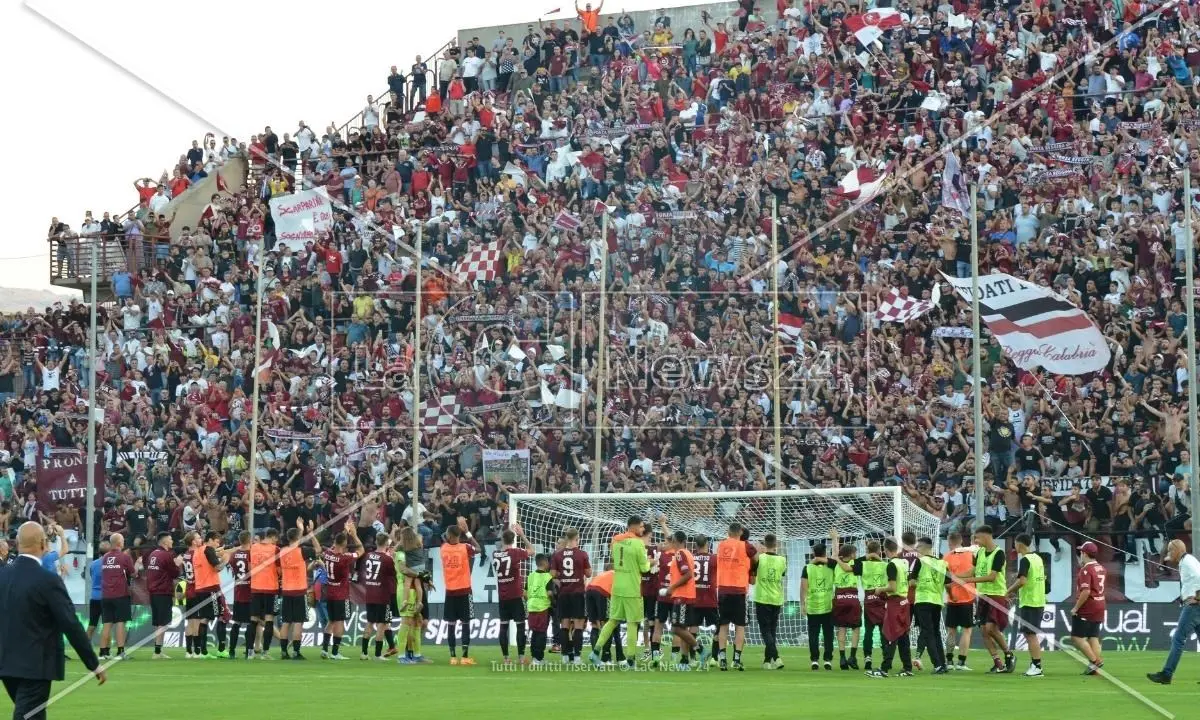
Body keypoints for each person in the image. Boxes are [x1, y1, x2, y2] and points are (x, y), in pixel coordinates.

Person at [0, 522, 104, 720]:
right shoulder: (47, 580)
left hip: (6, 663)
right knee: (28, 715)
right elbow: (70, 623)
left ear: (17, 544)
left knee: (31, 713)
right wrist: (93, 663)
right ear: (43, 543)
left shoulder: (3, 576)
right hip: (36, 664)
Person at [590, 515, 649, 669]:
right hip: (632, 589)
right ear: (634, 527)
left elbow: (614, 559)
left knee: (612, 620)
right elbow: (644, 568)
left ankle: (595, 651)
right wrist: (651, 562)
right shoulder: (638, 544)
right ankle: (630, 660)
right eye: (642, 526)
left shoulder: (615, 541)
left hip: (617, 587)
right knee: (632, 623)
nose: (643, 529)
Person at [960, 525, 1014, 673]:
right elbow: (973, 570)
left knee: (991, 628)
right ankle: (997, 662)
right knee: (984, 631)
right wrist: (956, 575)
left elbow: (992, 577)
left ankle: (1009, 654)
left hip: (996, 595)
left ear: (985, 536)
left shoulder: (999, 553)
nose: (975, 541)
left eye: (977, 538)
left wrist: (969, 580)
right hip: (982, 596)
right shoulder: (980, 553)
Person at [1148, 539, 1200, 684]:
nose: (1169, 553)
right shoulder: (1188, 560)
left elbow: (1198, 577)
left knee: (1178, 639)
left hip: (1193, 607)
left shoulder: (1187, 562)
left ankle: (1166, 674)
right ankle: (1166, 673)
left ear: (1177, 550)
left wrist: (1197, 596)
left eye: (1171, 550)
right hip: (1195, 606)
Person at [867, 538, 913, 678]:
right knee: (903, 636)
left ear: (886, 550)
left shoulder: (891, 565)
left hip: (895, 602)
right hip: (905, 602)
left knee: (890, 634)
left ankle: (884, 669)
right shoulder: (904, 563)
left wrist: (880, 589)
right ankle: (907, 667)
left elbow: (892, 587)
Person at [714, 521, 757, 671]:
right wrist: (752, 570)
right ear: (740, 532)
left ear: (728, 532)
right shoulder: (745, 545)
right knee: (740, 626)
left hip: (723, 589)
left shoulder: (721, 545)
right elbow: (756, 557)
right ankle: (737, 659)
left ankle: (722, 658)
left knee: (723, 625)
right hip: (739, 589)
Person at [317, 521, 362, 660]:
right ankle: (335, 652)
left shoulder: (328, 553)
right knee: (340, 622)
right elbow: (361, 551)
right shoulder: (344, 558)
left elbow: (338, 543)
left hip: (329, 592)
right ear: (344, 544)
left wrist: (344, 531)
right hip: (341, 594)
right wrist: (354, 535)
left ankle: (325, 649)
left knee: (331, 621)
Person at [440, 519, 481, 665]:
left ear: (449, 536)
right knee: (465, 624)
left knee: (451, 624)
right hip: (464, 590)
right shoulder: (465, 548)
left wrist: (457, 530)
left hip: (450, 591)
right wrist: (467, 531)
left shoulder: (443, 548)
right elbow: (479, 549)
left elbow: (446, 538)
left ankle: (452, 657)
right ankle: (464, 657)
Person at [1007, 533, 1047, 677]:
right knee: (1031, 634)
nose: (1014, 547)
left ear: (1019, 544)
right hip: (1039, 600)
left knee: (1030, 635)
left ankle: (1037, 667)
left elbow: (1022, 581)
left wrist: (1009, 591)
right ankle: (1035, 665)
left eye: (1015, 544)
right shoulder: (1037, 558)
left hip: (1030, 602)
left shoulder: (1025, 560)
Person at [550, 526, 590, 664]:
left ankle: (565, 656)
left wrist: (562, 578)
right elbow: (589, 573)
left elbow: (553, 574)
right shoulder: (582, 554)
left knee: (564, 626)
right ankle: (577, 657)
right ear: (577, 539)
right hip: (577, 593)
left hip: (563, 594)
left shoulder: (557, 554)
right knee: (578, 625)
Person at [909, 536, 950, 674]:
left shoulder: (920, 561)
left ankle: (937, 665)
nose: (916, 550)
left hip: (923, 599)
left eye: (918, 547)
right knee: (936, 633)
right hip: (937, 601)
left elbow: (912, 582)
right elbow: (948, 583)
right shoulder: (942, 563)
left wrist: (915, 582)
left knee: (927, 632)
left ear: (925, 547)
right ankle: (943, 664)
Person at [659, 530, 698, 670]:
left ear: (677, 541)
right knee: (682, 628)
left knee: (676, 628)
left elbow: (687, 574)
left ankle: (700, 649)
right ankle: (684, 660)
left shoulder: (680, 554)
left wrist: (671, 588)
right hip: (685, 595)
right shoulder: (687, 553)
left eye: (672, 541)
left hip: (683, 596)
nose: (671, 543)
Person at [493, 525, 531, 665]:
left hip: (503, 597)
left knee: (503, 627)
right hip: (516, 595)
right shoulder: (515, 552)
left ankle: (506, 658)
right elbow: (532, 551)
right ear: (514, 539)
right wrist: (522, 535)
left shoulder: (495, 554)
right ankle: (521, 658)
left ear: (502, 539)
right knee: (520, 626)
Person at [800, 534, 836, 670]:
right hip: (828, 606)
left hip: (813, 606)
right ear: (825, 553)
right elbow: (835, 557)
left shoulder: (807, 568)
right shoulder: (832, 566)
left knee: (813, 634)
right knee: (828, 634)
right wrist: (834, 539)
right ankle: (827, 660)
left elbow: (803, 588)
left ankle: (814, 660)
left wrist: (802, 604)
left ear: (813, 553)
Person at [98, 532, 137, 660]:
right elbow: (133, 573)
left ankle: (103, 652)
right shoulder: (124, 557)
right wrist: (137, 567)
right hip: (120, 593)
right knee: (121, 622)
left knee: (107, 623)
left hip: (106, 595)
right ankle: (120, 652)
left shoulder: (105, 557)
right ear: (120, 543)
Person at [359, 533, 397, 661]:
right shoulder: (387, 559)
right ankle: (377, 654)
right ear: (386, 543)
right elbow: (393, 574)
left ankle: (364, 653)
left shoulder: (368, 556)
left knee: (369, 623)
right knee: (382, 624)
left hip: (370, 593)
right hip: (382, 595)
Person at [1071, 541, 1107, 676]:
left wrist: (1075, 608)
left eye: (1081, 552)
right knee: (1093, 636)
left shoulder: (1086, 569)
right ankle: (1095, 670)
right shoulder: (1101, 568)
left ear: (1084, 554)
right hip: (1100, 604)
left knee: (1077, 637)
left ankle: (1095, 661)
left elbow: (1085, 591)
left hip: (1088, 606)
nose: (1080, 555)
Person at [942, 532, 976, 671]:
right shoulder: (971, 555)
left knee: (951, 631)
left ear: (950, 542)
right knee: (967, 630)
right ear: (962, 541)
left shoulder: (946, 557)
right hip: (967, 597)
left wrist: (950, 594)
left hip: (952, 599)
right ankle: (961, 663)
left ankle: (949, 661)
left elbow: (946, 581)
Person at [277, 521, 310, 660]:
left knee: (286, 622)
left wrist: (300, 531)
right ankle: (296, 652)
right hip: (299, 590)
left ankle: (284, 652)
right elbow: (318, 549)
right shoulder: (301, 551)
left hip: (286, 590)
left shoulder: (282, 551)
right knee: (298, 622)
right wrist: (304, 530)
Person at [192, 531, 227, 658]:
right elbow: (217, 567)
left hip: (200, 588)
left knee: (204, 618)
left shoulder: (197, 551)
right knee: (221, 616)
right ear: (210, 540)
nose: (218, 544)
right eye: (217, 541)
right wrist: (225, 560)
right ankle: (220, 649)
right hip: (211, 587)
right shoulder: (208, 549)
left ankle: (201, 651)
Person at [753, 533, 786, 670]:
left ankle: (776, 657)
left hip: (762, 598)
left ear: (764, 544)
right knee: (772, 630)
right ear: (776, 544)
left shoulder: (760, 558)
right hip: (776, 598)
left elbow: (754, 573)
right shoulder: (783, 560)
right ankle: (767, 661)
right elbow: (782, 574)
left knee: (765, 630)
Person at [144, 532, 179, 659]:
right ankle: (157, 652)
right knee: (163, 622)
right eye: (170, 539)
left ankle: (158, 650)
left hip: (153, 591)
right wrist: (178, 563)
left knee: (159, 622)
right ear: (164, 542)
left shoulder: (153, 554)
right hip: (163, 591)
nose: (172, 542)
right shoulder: (166, 555)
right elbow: (175, 573)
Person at [686, 534, 718, 668]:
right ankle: (715, 658)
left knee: (692, 628)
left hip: (694, 599)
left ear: (696, 545)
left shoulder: (691, 558)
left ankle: (693, 658)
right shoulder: (714, 558)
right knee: (719, 627)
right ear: (707, 544)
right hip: (710, 598)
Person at [248, 528, 281, 659]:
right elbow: (279, 571)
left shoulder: (253, 547)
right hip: (270, 588)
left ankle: (250, 652)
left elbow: (250, 568)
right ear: (273, 537)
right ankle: (265, 652)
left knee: (253, 620)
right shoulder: (275, 549)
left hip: (255, 587)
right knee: (269, 620)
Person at [859, 540, 888, 672]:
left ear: (867, 552)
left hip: (869, 599)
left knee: (868, 632)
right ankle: (886, 657)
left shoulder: (863, 565)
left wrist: (868, 556)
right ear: (879, 551)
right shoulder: (886, 565)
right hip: (882, 599)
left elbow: (851, 565)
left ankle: (868, 657)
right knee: (884, 631)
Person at [832, 542, 861, 670]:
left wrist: (834, 540)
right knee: (856, 628)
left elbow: (837, 557)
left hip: (839, 598)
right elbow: (848, 568)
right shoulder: (857, 563)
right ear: (851, 554)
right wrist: (834, 539)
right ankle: (852, 657)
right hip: (852, 597)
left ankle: (842, 657)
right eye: (855, 552)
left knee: (842, 628)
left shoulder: (836, 564)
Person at [225, 532, 252, 660]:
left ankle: (231, 651)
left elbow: (231, 569)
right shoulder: (251, 553)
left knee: (237, 622)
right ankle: (248, 652)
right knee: (251, 623)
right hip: (250, 592)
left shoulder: (233, 555)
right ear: (249, 540)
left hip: (238, 592)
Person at [586, 566, 620, 664]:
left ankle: (595, 656)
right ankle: (606, 657)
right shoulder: (617, 575)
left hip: (589, 590)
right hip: (602, 592)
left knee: (595, 625)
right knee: (606, 626)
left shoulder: (603, 574)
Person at [526, 554, 554, 665]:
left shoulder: (530, 576)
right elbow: (549, 593)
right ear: (545, 563)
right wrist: (553, 602)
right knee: (541, 633)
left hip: (532, 607)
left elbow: (524, 593)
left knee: (534, 632)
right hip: (542, 607)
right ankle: (539, 658)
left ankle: (534, 657)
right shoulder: (548, 577)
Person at [86, 541, 109, 646]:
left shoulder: (93, 564)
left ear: (99, 552)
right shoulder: (110, 564)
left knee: (92, 625)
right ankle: (106, 650)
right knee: (107, 625)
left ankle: (85, 649)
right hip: (106, 596)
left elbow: (92, 576)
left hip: (94, 596)